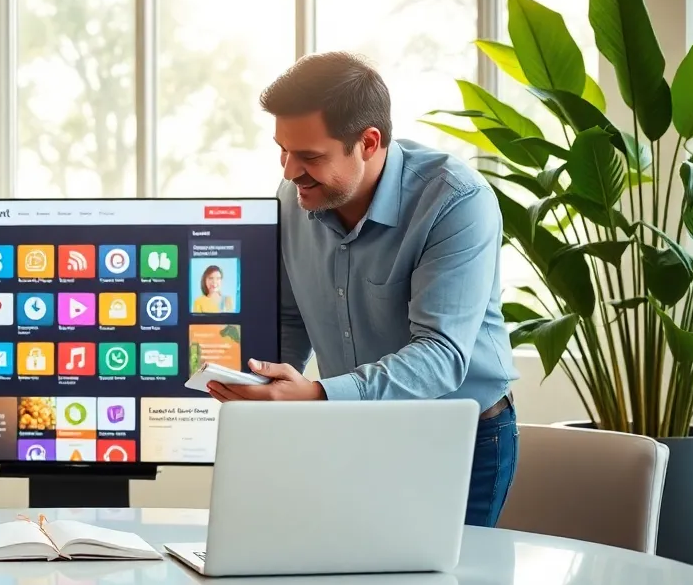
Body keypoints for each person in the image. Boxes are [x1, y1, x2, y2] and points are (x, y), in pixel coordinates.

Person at [205, 52, 519, 527]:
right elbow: (291, 317)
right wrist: (260, 384)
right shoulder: (293, 195)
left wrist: (316, 395)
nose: (290, 171)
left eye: (310, 156)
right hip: (352, 427)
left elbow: (441, 355)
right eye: (283, 151)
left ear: (368, 142)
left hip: (461, 437)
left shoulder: (456, 200)